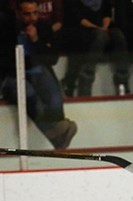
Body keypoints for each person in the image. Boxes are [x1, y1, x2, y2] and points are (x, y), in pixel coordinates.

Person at [1, 0, 77, 149]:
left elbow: (52, 58)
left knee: (52, 93)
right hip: (12, 76)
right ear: (17, 13)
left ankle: (57, 130)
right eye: (27, 14)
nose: (32, 18)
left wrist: (35, 40)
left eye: (35, 13)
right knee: (29, 94)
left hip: (37, 72)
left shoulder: (43, 27)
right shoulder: (6, 28)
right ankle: (54, 133)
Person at [60, 0, 131, 96]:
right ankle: (86, 81)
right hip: (81, 29)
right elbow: (78, 19)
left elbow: (107, 14)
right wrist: (97, 28)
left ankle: (122, 81)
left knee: (118, 35)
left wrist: (104, 28)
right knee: (100, 37)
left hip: (102, 28)